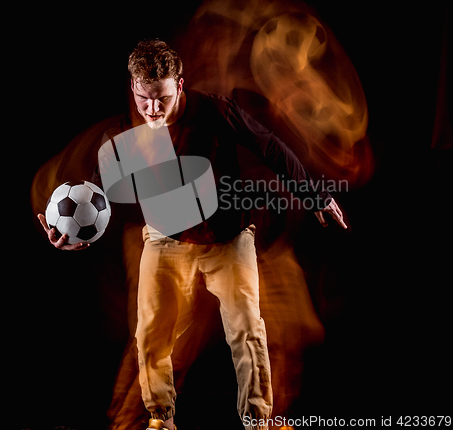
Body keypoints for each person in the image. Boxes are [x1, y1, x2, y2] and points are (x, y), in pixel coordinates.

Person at [38, 39, 347, 430]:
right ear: (133, 89)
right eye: (144, 99)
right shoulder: (127, 139)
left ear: (179, 85)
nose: (152, 109)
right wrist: (77, 237)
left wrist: (313, 195)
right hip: (165, 242)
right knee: (151, 334)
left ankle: (258, 419)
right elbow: (96, 197)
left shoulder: (216, 112)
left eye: (162, 98)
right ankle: (160, 417)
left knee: (248, 329)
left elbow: (270, 147)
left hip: (228, 240)